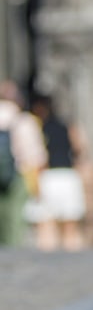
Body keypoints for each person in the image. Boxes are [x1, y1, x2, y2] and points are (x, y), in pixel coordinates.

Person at [27, 93, 87, 251]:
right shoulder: (68, 125)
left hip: (49, 176)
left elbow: (38, 157)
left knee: (47, 225)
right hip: (68, 175)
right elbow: (80, 149)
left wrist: (36, 184)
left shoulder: (39, 127)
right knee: (71, 226)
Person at [0, 81, 47, 247]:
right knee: (15, 217)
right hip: (18, 173)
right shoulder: (23, 120)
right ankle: (11, 249)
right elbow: (35, 154)